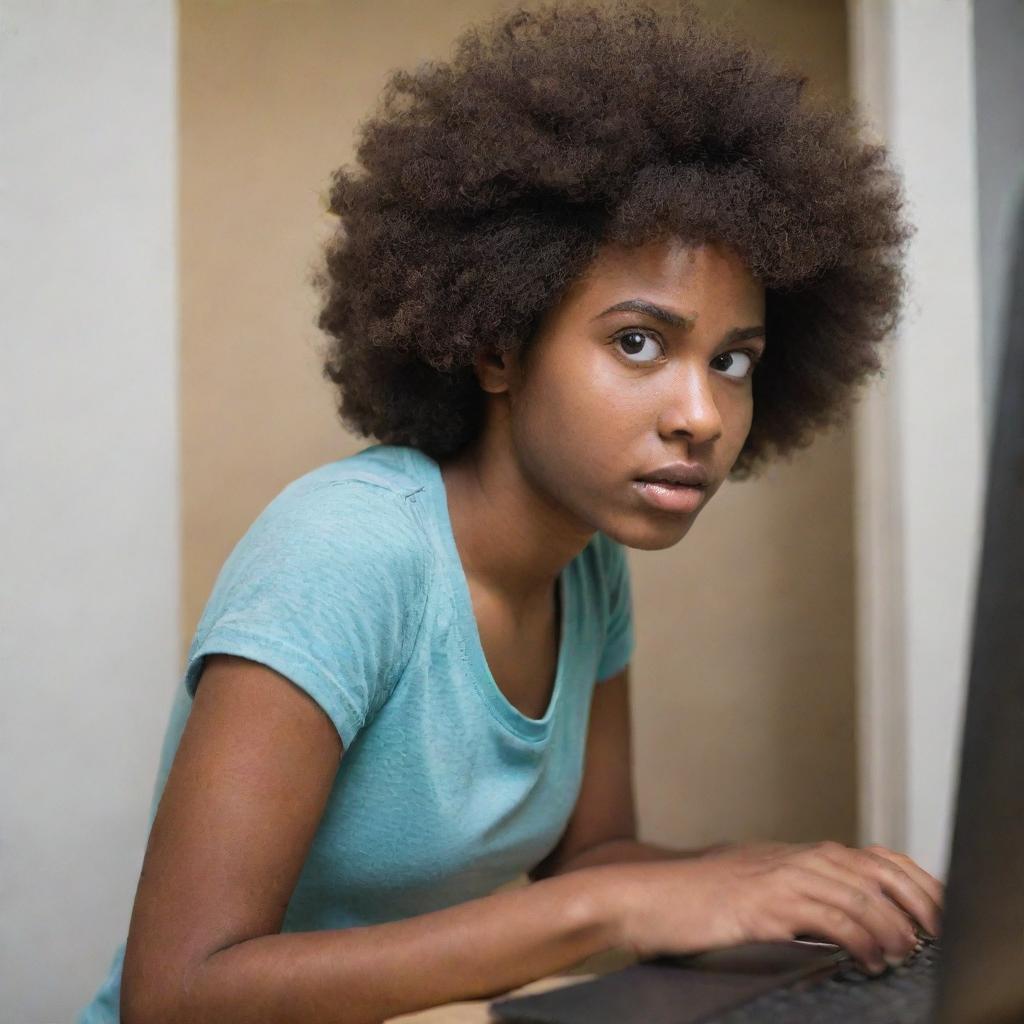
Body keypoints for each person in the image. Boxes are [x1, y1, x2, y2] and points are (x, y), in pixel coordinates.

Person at [78, 2, 944, 1021]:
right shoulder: (343, 552)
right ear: (497, 346)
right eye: (637, 342)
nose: (702, 414)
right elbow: (173, 993)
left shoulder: (587, 565)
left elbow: (594, 857)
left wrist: (770, 879)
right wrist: (611, 903)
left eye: (732, 360)